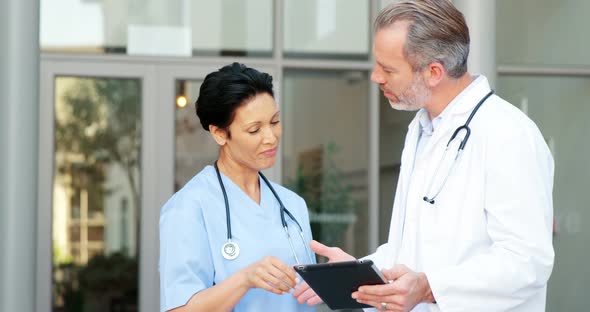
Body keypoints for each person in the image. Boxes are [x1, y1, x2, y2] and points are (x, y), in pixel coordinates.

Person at [293, 1, 554, 311]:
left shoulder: (508, 134)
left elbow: (527, 263)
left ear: (433, 72)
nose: (375, 76)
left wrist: (430, 286)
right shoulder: (422, 130)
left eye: (388, 68)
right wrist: (357, 272)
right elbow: (411, 250)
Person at [159, 62, 315, 312]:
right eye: (254, 129)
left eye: (274, 122)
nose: (271, 137)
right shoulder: (188, 207)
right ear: (220, 134)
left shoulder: (292, 205)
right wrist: (245, 279)